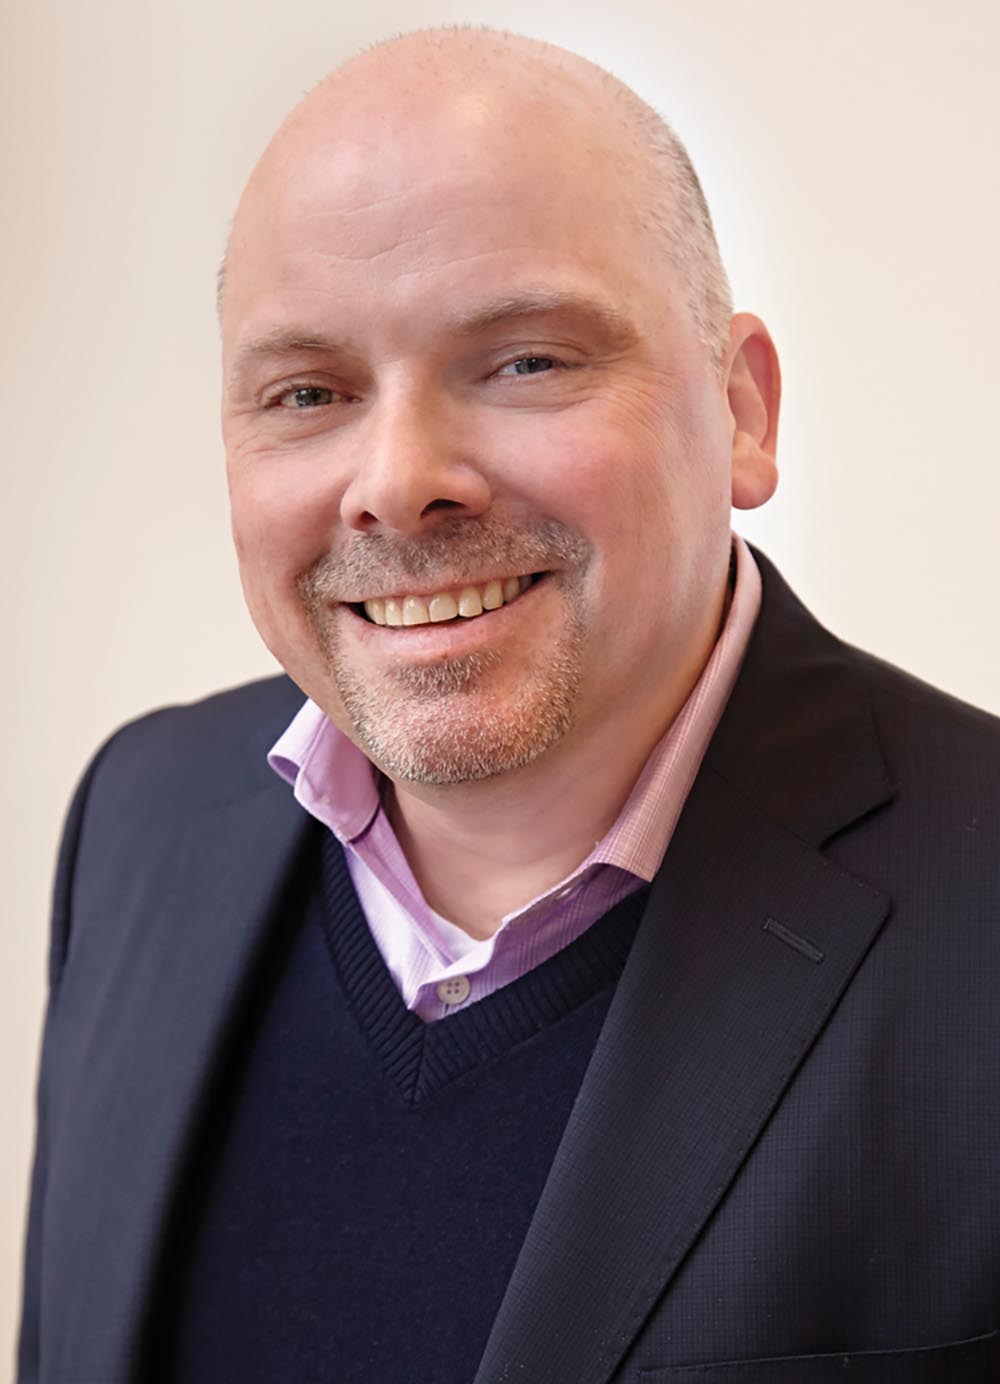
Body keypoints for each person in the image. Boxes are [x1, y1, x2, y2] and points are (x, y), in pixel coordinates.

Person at [18, 27, 1000, 1384]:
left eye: (526, 361)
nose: (396, 481)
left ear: (744, 413)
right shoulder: (139, 821)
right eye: (308, 392)